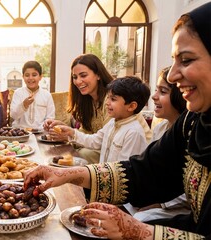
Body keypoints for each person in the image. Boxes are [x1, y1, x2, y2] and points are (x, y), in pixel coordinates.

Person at [24, 2, 211, 238]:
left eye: (186, 60)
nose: (173, 75)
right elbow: (143, 171)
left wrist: (139, 231)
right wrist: (66, 174)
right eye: (174, 61)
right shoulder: (193, 123)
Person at [132, 66, 189, 222]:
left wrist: (161, 203)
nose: (154, 97)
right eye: (156, 90)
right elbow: (149, 170)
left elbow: (192, 190)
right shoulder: (160, 129)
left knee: (139, 219)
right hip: (154, 197)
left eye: (163, 92)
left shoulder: (191, 136)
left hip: (179, 208)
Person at [49, 76, 150, 163]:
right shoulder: (112, 123)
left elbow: (125, 168)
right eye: (108, 98)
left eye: (113, 99)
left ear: (131, 106)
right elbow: (94, 141)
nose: (107, 102)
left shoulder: (134, 132)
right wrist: (72, 133)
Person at [44, 54, 114, 163]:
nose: (77, 81)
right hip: (98, 147)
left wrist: (71, 134)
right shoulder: (88, 100)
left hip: (116, 153)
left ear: (98, 75)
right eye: (75, 77)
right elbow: (84, 133)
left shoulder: (111, 100)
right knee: (55, 151)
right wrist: (65, 131)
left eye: (83, 75)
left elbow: (104, 141)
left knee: (77, 154)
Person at [10, 60, 55, 128]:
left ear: (40, 77)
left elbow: (50, 117)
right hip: (20, 133)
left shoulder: (47, 95)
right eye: (27, 75)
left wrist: (43, 126)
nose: (30, 78)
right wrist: (24, 105)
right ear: (23, 77)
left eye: (34, 75)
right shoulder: (18, 93)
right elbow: (13, 115)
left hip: (41, 132)